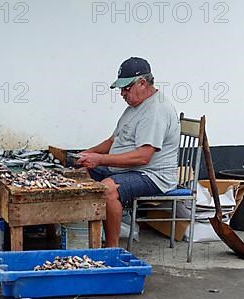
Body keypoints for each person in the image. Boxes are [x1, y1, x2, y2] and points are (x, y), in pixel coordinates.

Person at [77, 57, 179, 247]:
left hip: (153, 175)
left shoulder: (156, 110)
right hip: (127, 169)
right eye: (120, 89)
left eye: (126, 88)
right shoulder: (134, 107)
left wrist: (100, 160)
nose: (122, 93)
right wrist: (86, 154)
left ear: (142, 82)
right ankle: (88, 235)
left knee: (109, 189)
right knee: (80, 173)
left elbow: (143, 157)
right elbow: (112, 141)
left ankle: (112, 248)